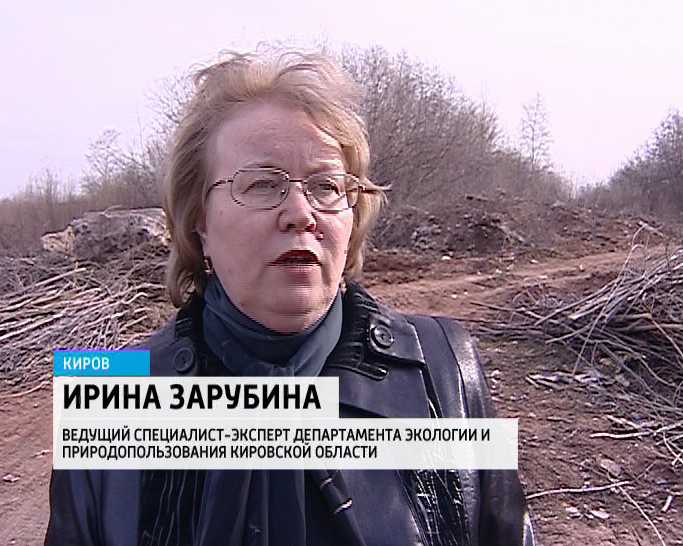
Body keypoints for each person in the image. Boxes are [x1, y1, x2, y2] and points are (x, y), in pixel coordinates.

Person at [45, 49, 535, 546]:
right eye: (262, 184)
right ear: (199, 221)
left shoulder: (444, 366)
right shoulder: (106, 400)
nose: (301, 213)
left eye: (326, 186)